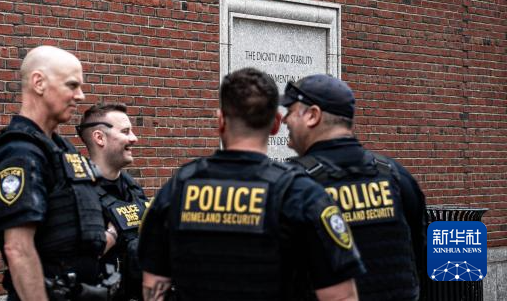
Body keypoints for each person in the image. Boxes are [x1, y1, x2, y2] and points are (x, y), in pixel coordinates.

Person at [138, 67, 364, 301]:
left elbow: (153, 288)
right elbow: (340, 296)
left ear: (220, 121)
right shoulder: (301, 193)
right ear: (276, 124)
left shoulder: (176, 189)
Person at [0, 46, 120, 300]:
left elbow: (76, 233)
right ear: (39, 83)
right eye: (72, 85)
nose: (80, 96)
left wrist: (111, 234)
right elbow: (18, 249)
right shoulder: (19, 152)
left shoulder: (62, 149)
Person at [282, 74, 427, 300]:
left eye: (290, 111)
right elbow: (419, 258)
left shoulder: (289, 185)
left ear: (312, 115)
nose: (284, 120)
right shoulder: (397, 176)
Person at [78, 102, 146, 301]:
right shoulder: (78, 192)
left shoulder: (132, 188)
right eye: (125, 131)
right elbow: (72, 260)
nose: (134, 138)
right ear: (99, 138)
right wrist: (113, 234)